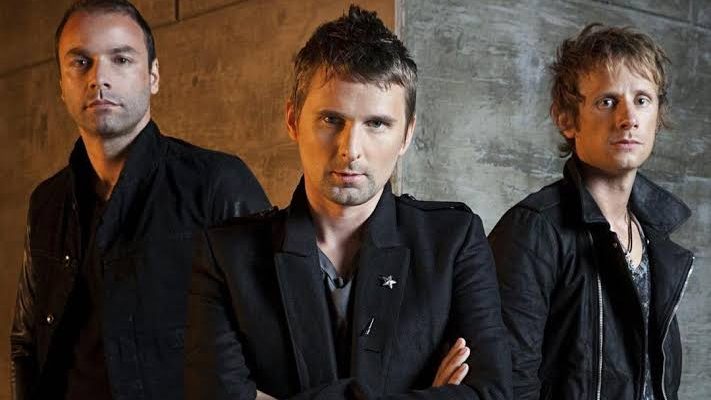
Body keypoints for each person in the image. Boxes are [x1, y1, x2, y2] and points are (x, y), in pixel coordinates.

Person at [185, 5, 511, 399]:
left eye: (377, 124)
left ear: (407, 135)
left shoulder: (453, 241)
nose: (350, 149)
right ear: (293, 120)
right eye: (331, 120)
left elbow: (491, 393)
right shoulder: (226, 253)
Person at [10, 1, 269, 399]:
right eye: (80, 62)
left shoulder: (217, 184)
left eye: (121, 59)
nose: (99, 78)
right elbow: (26, 343)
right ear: (61, 85)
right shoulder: (46, 203)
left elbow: (271, 345)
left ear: (153, 76)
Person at [489, 23, 694, 400]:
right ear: (566, 119)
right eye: (607, 101)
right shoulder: (534, 230)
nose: (628, 118)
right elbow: (508, 384)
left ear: (657, 116)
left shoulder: (653, 234)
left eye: (642, 100)